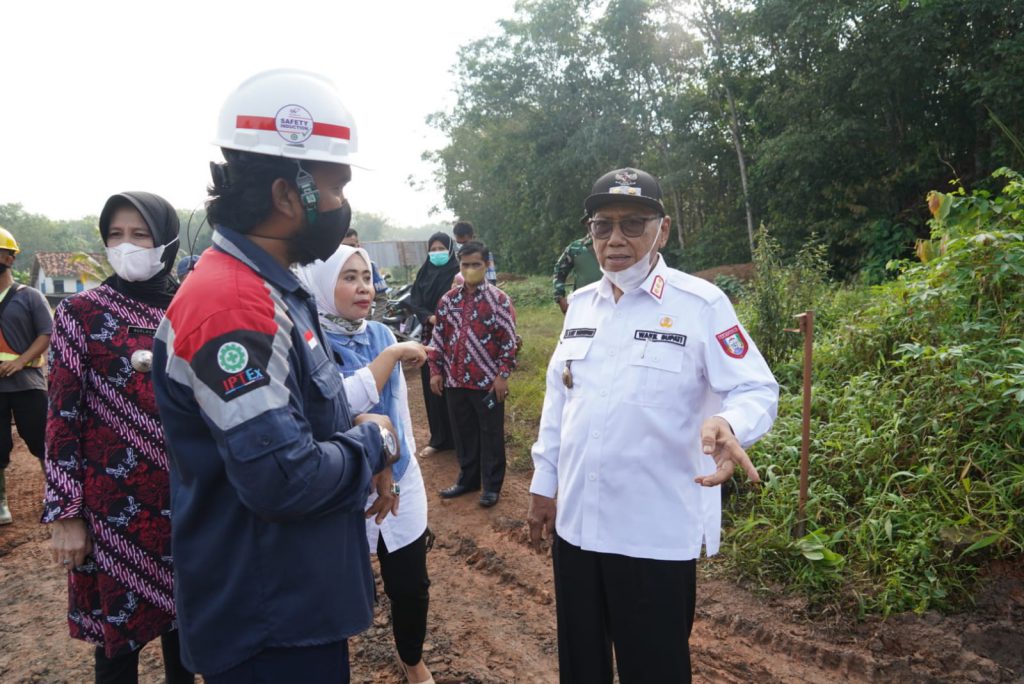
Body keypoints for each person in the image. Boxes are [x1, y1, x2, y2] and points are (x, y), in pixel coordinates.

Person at [151, 69, 399, 682]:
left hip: (292, 603)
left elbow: (304, 419)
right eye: (336, 186)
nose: (342, 206)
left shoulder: (271, 288)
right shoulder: (234, 306)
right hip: (268, 623)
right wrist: (374, 441)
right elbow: (284, 479)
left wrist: (352, 422)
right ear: (290, 196)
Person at [526, 167, 779, 683]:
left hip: (652, 533)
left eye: (633, 224)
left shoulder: (700, 305)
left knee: (655, 670)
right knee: (581, 665)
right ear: (589, 233)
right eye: (602, 226)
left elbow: (757, 387)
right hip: (577, 526)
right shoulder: (578, 306)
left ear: (661, 230)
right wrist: (543, 486)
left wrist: (730, 422)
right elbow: (559, 403)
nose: (616, 239)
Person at [41, 192, 194, 683]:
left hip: (189, 501)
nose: (126, 246)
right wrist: (66, 514)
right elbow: (61, 416)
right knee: (117, 648)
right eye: (115, 235)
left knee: (188, 640)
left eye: (140, 234)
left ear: (166, 241)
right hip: (115, 509)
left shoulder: (190, 308)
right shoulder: (81, 313)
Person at [295, 244, 435, 684]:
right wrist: (374, 459)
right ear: (321, 282)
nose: (364, 288)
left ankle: (412, 659)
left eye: (367, 277)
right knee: (337, 588)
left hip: (399, 473)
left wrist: (392, 462)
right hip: (341, 480)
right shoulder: (307, 340)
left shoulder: (380, 334)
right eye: (349, 277)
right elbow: (335, 409)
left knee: (411, 583)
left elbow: (396, 410)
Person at [430, 241, 517, 508]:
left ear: (487, 265)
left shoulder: (499, 300)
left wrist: (502, 375)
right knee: (463, 433)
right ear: (459, 265)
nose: (470, 269)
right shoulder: (448, 300)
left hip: (487, 383)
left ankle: (491, 486)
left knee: (490, 433)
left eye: (475, 264)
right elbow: (438, 338)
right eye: (465, 265)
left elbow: (509, 341)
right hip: (455, 380)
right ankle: (468, 480)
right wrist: (435, 371)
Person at [0, 226, 51, 525]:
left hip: (28, 384)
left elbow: (46, 333)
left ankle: (56, 493)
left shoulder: (29, 296)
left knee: (41, 440)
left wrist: (21, 361)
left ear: (9, 257)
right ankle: (1, 504)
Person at [407, 233, 460, 459]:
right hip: (430, 335)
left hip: (456, 336)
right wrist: (429, 317)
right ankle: (438, 439)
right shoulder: (424, 272)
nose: (436, 252)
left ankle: (460, 439)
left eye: (441, 248)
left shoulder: (458, 272)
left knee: (456, 386)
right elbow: (414, 300)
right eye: (433, 248)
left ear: (449, 250)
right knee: (433, 384)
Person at [341, 228, 388, 319]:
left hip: (363, 326)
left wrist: (375, 324)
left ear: (358, 246)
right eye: (344, 246)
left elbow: (382, 299)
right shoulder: (331, 268)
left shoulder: (369, 267)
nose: (348, 250)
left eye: (352, 246)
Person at [552, 232, 601, 314]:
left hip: (612, 302)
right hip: (581, 304)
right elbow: (559, 271)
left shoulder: (614, 244)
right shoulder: (576, 247)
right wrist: (560, 297)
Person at [452, 221, 496, 285]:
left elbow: (491, 280)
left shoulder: (484, 254)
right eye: (459, 243)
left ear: (472, 237)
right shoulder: (453, 255)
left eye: (465, 242)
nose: (462, 246)